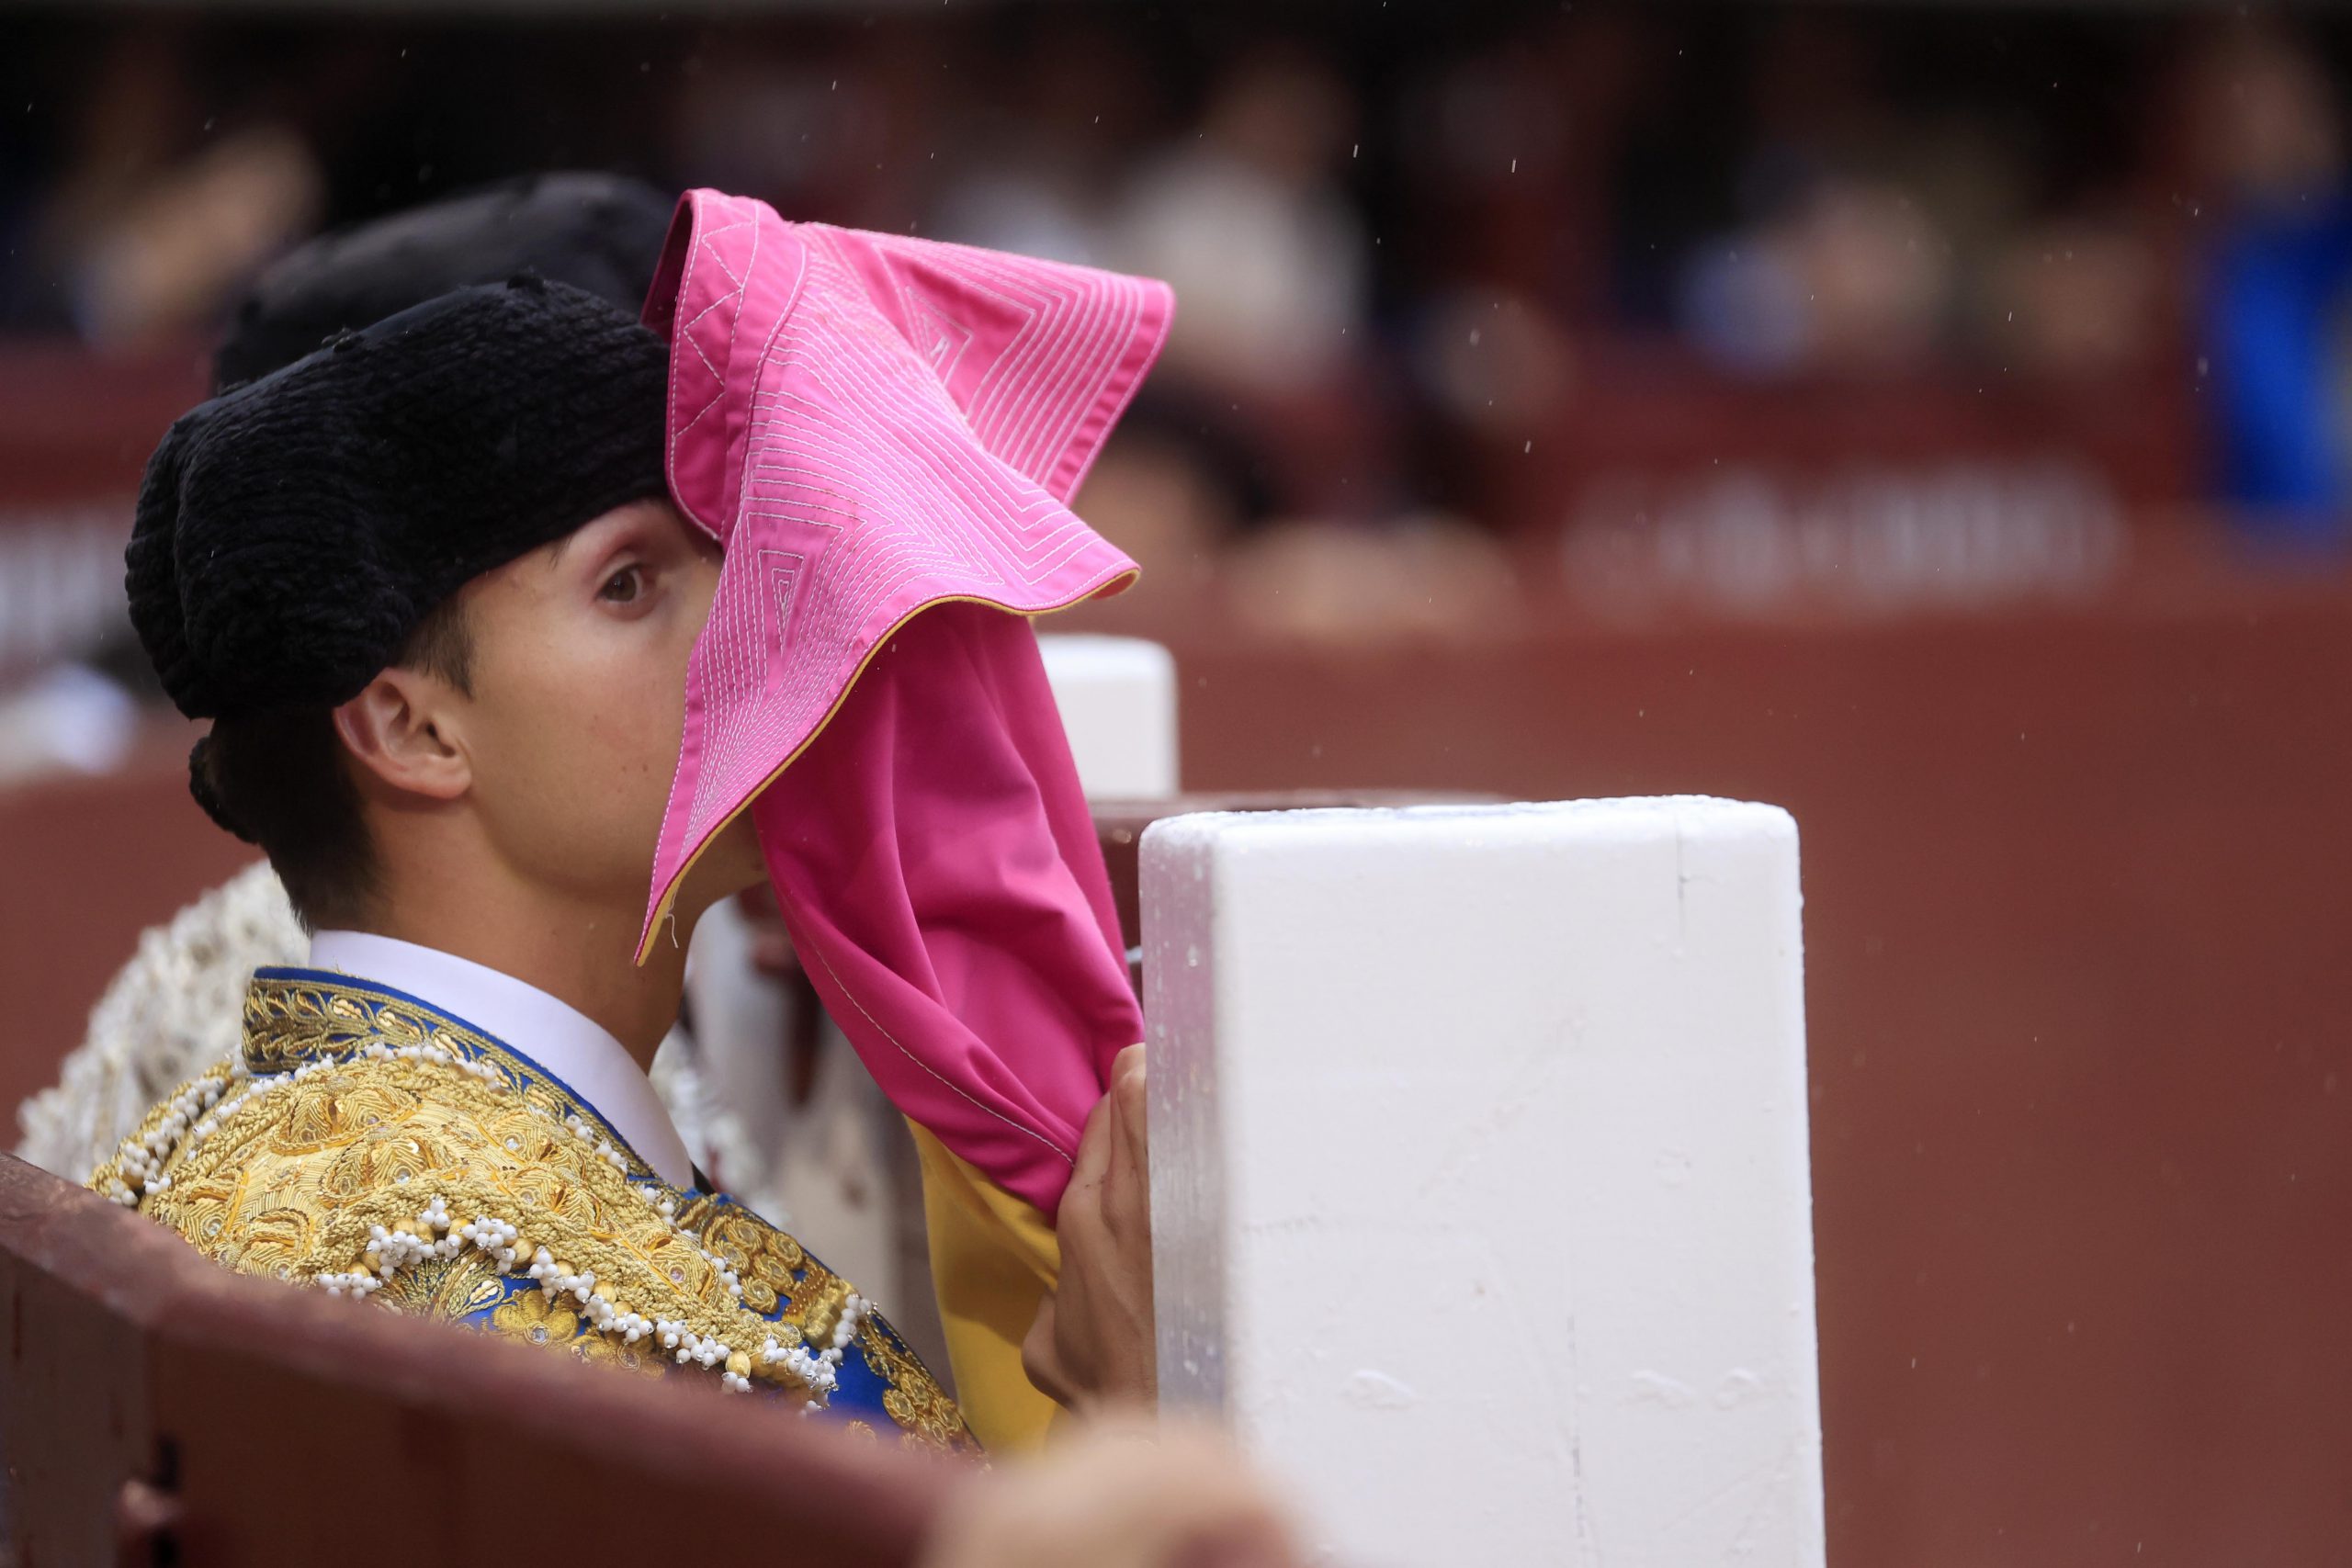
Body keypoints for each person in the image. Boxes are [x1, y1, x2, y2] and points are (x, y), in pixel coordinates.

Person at [91, 275, 978, 1447]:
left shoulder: (372, 1163)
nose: (756, 616)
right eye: (629, 585)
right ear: (415, 730)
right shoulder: (440, 1254)